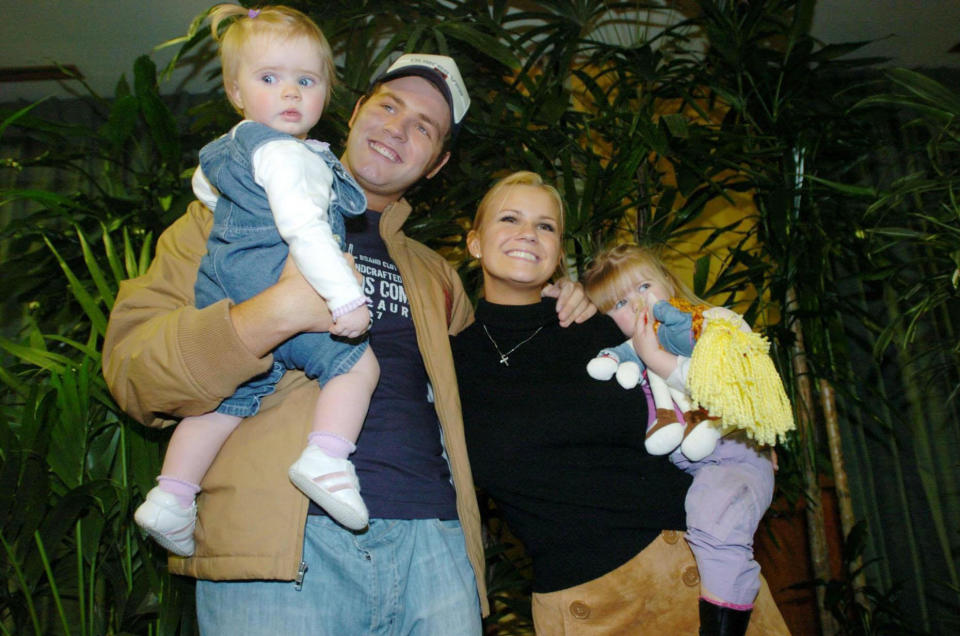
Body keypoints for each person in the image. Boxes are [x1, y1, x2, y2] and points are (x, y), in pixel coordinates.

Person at [103, 47, 593, 632]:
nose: (398, 129)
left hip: (434, 553)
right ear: (357, 110)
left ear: (435, 164)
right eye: (389, 106)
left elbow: (496, 387)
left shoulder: (435, 274)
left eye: (425, 128)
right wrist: (271, 314)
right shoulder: (223, 222)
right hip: (282, 553)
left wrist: (561, 305)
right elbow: (135, 373)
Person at [450, 171, 789, 635]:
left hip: (695, 580)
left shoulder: (606, 328)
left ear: (558, 251)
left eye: (545, 226)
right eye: (510, 219)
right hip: (579, 607)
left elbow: (704, 370)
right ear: (474, 243)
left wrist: (746, 434)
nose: (528, 234)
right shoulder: (451, 363)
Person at [133, 4, 379, 558]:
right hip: (276, 274)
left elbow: (207, 188)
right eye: (271, 78)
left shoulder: (230, 147)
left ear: (325, 94)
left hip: (223, 285)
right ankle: (327, 458)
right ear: (236, 90)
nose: (290, 93)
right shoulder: (288, 157)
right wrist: (345, 297)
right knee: (357, 365)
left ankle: (171, 497)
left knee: (225, 403)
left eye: (306, 80)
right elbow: (304, 231)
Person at [582, 243, 785, 633]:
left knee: (714, 524)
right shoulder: (629, 351)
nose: (638, 305)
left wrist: (657, 358)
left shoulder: (714, 322)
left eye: (643, 288)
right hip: (683, 467)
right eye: (620, 304)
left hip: (733, 451)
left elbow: (730, 382)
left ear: (668, 282)